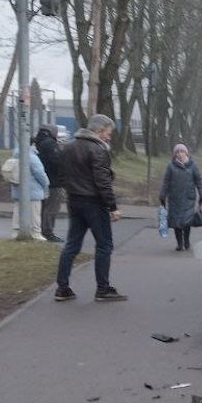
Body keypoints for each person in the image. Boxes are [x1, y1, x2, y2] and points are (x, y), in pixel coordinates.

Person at [54, 114, 127, 302]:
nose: (109, 137)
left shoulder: (68, 147)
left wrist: (70, 192)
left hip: (74, 201)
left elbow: (61, 176)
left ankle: (62, 288)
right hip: (94, 203)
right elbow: (102, 181)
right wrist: (113, 207)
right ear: (99, 130)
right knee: (104, 245)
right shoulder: (97, 150)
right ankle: (103, 289)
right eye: (108, 133)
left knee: (72, 245)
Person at [159, 143, 202, 251]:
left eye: (182, 151)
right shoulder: (171, 166)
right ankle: (180, 243)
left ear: (186, 153)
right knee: (176, 222)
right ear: (175, 154)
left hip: (188, 198)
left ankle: (187, 241)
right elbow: (166, 182)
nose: (180, 154)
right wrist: (162, 195)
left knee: (186, 221)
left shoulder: (192, 166)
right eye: (177, 152)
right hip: (174, 198)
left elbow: (198, 181)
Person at [11, 141, 50, 241]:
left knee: (17, 211)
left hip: (18, 188)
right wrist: (46, 183)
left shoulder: (15, 154)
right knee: (35, 214)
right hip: (33, 191)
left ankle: (15, 232)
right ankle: (35, 233)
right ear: (32, 144)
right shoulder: (32, 157)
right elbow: (40, 173)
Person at [34, 124, 64, 242]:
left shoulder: (38, 142)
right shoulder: (50, 144)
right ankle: (48, 232)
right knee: (52, 208)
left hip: (43, 181)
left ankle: (41, 230)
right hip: (54, 181)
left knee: (43, 208)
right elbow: (57, 161)